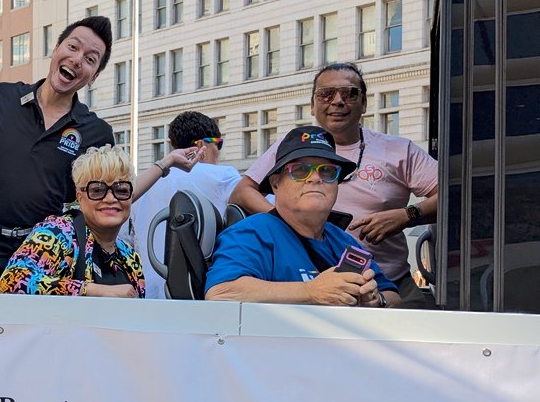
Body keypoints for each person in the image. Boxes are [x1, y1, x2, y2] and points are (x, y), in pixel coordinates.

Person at [0, 16, 117, 293]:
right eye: (72, 47)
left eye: (90, 59)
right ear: (55, 48)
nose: (78, 59)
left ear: (93, 77)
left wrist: (164, 165)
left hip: (41, 254)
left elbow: (110, 198)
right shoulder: (3, 98)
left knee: (31, 334)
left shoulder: (96, 132)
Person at [230, 63, 437, 303]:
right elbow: (242, 191)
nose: (337, 101)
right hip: (303, 280)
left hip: (386, 279)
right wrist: (289, 225)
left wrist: (407, 214)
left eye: (349, 93)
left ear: (364, 104)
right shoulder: (290, 148)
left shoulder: (400, 150)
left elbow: (454, 195)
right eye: (326, 94)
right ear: (312, 105)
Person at [207, 125, 400, 308]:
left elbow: (395, 298)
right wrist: (311, 291)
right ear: (275, 184)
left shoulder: (344, 242)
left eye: (327, 171)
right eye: (300, 170)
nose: (315, 178)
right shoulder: (251, 233)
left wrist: (376, 300)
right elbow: (220, 292)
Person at [0, 145, 146, 297]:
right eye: (97, 190)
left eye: (121, 190)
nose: (110, 198)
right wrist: (93, 290)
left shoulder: (129, 256)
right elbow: (12, 282)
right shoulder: (58, 233)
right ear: (79, 196)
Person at [126, 112, 241, 299]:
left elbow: (127, 239)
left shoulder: (143, 183)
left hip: (148, 292)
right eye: (218, 143)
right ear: (201, 145)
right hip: (200, 292)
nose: (219, 152)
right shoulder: (222, 176)